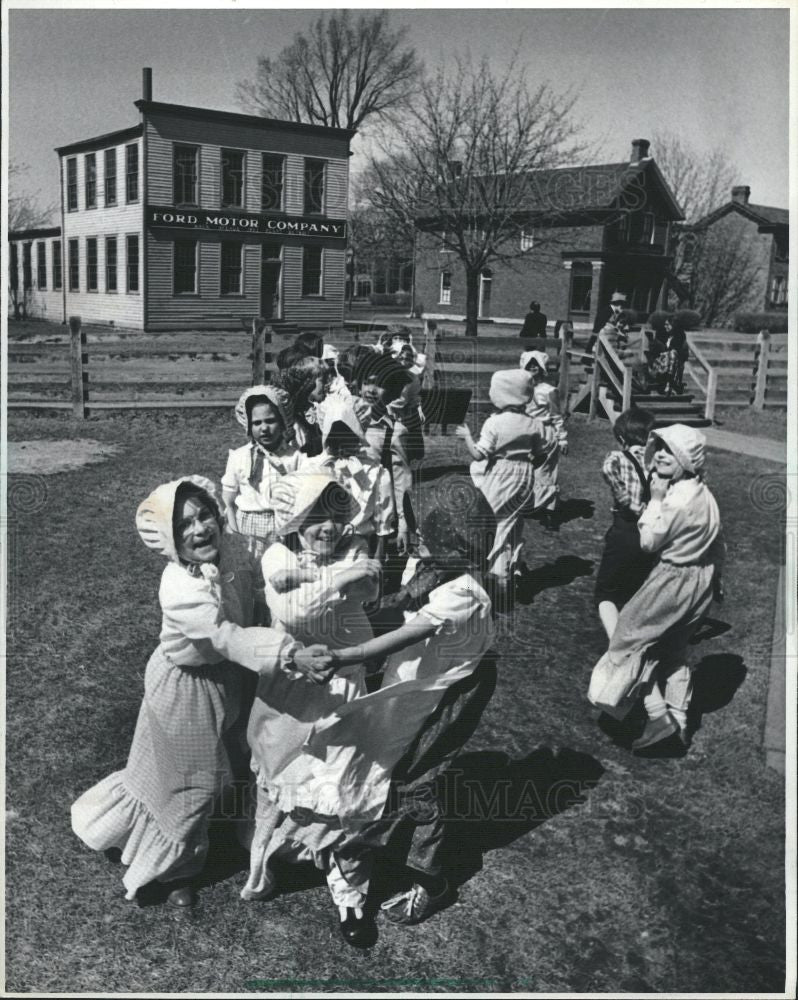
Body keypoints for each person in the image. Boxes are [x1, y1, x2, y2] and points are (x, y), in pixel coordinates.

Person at [71, 476, 332, 907]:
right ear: (171, 541)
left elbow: (257, 591)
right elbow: (224, 636)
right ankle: (178, 871)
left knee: (237, 757)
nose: (199, 530)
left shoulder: (234, 552)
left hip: (237, 675)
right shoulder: (179, 588)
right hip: (187, 686)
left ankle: (232, 828)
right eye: (185, 526)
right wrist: (289, 652)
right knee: (192, 783)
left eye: (204, 515)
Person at [308, 474, 498, 925]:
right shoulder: (431, 568)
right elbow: (398, 604)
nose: (416, 540)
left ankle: (432, 880)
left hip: (452, 692)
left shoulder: (465, 595)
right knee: (395, 763)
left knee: (420, 780)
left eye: (426, 533)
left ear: (450, 542)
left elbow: (404, 634)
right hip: (422, 679)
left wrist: (342, 656)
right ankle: (376, 838)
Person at [242, 473, 382, 947]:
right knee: (283, 779)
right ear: (296, 520)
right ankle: (265, 861)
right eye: (315, 517)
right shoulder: (275, 554)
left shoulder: (352, 550)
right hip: (289, 693)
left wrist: (326, 576)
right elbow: (301, 614)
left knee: (344, 787)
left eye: (336, 517)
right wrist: (338, 577)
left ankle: (349, 892)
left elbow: (370, 587)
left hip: (344, 692)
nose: (328, 528)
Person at [588, 424, 723, 754]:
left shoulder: (675, 499)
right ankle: (678, 724)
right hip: (701, 579)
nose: (660, 454)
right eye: (658, 447)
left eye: (670, 451)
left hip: (672, 580)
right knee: (674, 651)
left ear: (686, 460)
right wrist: (716, 581)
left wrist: (657, 498)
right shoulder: (705, 494)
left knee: (629, 642)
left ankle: (658, 716)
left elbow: (648, 541)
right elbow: (718, 542)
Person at [456, 370, 549, 607]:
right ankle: (506, 576)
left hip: (500, 476)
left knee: (486, 524)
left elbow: (478, 454)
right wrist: (524, 466)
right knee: (509, 525)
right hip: (525, 477)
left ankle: (483, 582)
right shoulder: (534, 423)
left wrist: (467, 436)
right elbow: (541, 456)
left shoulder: (495, 422)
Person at [301, 396, 396, 560]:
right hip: (318, 542)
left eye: (347, 434)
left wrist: (378, 561)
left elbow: (382, 524)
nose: (340, 441)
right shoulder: (312, 467)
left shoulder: (374, 472)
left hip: (356, 545)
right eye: (334, 434)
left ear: (358, 433)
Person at [594, 406, 657, 639]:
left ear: (621, 438)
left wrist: (631, 504)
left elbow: (615, 482)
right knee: (636, 586)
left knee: (606, 592)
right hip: (653, 531)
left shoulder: (617, 458)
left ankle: (617, 643)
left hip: (626, 528)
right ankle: (636, 632)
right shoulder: (658, 461)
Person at [221, 385, 302, 559]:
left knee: (280, 572)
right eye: (257, 423)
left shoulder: (294, 458)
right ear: (248, 425)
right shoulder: (239, 457)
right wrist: (234, 533)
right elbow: (228, 501)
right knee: (249, 575)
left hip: (283, 527)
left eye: (270, 421)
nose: (264, 428)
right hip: (247, 526)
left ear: (283, 421)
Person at [520, 350, 568, 529]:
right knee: (525, 471)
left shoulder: (548, 391)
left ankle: (550, 512)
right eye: (529, 364)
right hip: (525, 432)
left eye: (536, 364)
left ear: (542, 368)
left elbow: (557, 415)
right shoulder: (521, 387)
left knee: (545, 472)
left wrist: (562, 438)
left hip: (544, 434)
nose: (533, 367)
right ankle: (530, 505)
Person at [272, 354, 328, 456]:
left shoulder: (314, 410)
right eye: (322, 380)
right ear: (308, 384)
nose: (326, 385)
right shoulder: (295, 427)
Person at [585, 290, 627, 354]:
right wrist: (616, 330)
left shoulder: (614, 312)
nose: (623, 308)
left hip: (607, 337)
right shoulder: (606, 311)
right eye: (623, 306)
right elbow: (600, 326)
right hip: (598, 337)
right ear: (619, 304)